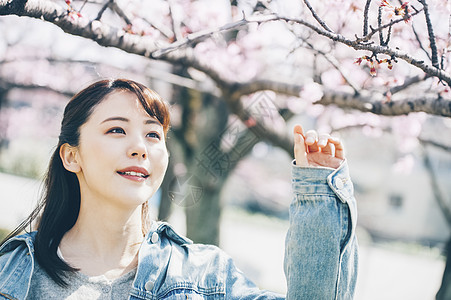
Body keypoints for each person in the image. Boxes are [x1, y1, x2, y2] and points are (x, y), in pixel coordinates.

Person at [0, 78, 358, 299]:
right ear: (71, 156)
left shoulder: (207, 277)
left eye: (153, 134)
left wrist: (319, 196)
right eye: (116, 130)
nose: (140, 147)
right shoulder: (12, 274)